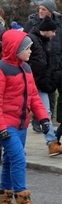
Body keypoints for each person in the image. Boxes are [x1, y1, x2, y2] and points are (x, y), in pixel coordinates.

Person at [0, 30, 47, 204]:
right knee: (19, 159)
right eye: (27, 48)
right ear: (16, 49)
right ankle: (23, 201)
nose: (30, 52)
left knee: (11, 160)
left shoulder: (26, 69)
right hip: (6, 126)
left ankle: (4, 200)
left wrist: (43, 118)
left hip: (21, 125)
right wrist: (0, 128)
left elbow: (34, 97)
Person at [26, 17, 62, 155]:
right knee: (43, 112)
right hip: (35, 83)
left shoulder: (45, 42)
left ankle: (52, 142)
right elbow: (37, 64)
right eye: (52, 31)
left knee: (45, 112)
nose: (54, 34)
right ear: (45, 31)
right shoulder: (32, 40)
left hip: (40, 83)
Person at [23, 0, 62, 123]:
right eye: (39, 8)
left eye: (43, 9)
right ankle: (38, 121)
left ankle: (50, 119)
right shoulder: (32, 23)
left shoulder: (59, 24)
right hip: (39, 64)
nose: (40, 11)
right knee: (39, 94)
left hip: (56, 63)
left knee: (51, 95)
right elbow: (24, 41)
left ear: (50, 11)